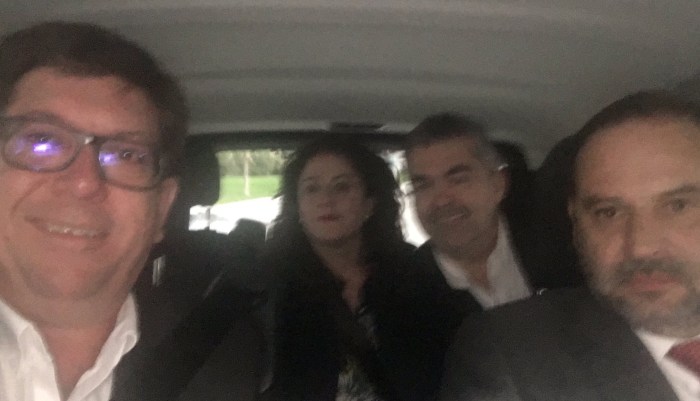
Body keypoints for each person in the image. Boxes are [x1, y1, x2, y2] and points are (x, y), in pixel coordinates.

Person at [0, 21, 262, 401]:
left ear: (162, 208)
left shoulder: (221, 362)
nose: (84, 181)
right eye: (43, 140)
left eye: (126, 155)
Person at [439, 90, 700, 401]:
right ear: (576, 224)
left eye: (678, 206)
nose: (640, 247)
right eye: (608, 213)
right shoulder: (514, 359)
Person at [403, 113, 574, 367]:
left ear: (498, 185)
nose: (441, 200)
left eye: (458, 179)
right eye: (423, 185)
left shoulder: (561, 246)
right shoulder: (404, 294)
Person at [266, 137, 429, 401]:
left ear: (369, 204)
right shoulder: (269, 284)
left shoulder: (412, 276)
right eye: (311, 189)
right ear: (297, 206)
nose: (326, 200)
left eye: (341, 187)